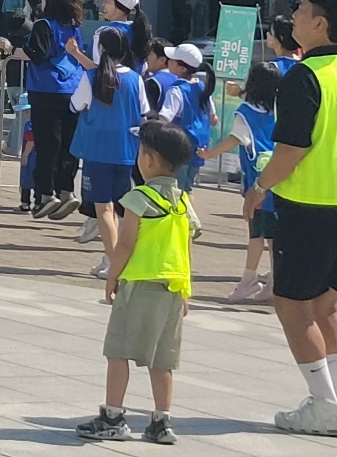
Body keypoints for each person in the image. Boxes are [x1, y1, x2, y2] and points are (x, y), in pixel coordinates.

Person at [246, 0, 337, 437]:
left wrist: (258, 186)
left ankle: (324, 406)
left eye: (300, 9)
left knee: (292, 307)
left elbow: (290, 151)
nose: (294, 16)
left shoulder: (304, 76)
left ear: (320, 23)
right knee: (327, 307)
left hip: (312, 203)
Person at [78, 119, 196, 446]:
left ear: (149, 159)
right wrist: (186, 289)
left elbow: (125, 244)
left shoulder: (139, 198)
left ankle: (113, 415)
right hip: (172, 288)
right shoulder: (183, 202)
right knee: (162, 360)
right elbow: (187, 248)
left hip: (140, 284)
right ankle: (161, 421)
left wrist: (112, 274)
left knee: (119, 352)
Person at [70, 27, 147, 280]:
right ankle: (116, 259)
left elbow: (75, 104)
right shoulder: (136, 78)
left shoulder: (93, 76)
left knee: (104, 208)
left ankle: (115, 263)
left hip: (97, 150)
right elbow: (144, 111)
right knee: (119, 208)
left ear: (101, 48)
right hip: (127, 150)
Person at [209, 62, 282, 304]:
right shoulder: (279, 110)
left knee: (256, 236)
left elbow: (233, 140)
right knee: (272, 237)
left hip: (257, 184)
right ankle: (274, 281)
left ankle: (248, 280)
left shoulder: (245, 113)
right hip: (279, 180)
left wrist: (207, 154)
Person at [25, 0, 87, 220]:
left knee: (47, 143)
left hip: (45, 88)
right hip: (73, 88)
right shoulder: (73, 27)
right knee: (68, 144)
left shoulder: (44, 25)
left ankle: (45, 195)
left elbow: (38, 55)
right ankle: (67, 190)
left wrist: (23, 45)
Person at [155, 44, 215, 192]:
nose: (169, 61)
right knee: (186, 191)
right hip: (199, 148)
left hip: (179, 149)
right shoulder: (202, 87)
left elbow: (164, 118)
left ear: (182, 68)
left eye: (173, 60)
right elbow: (213, 118)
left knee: (174, 192)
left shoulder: (176, 90)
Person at [93, 0, 151, 70]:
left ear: (120, 7)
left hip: (110, 83)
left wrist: (76, 52)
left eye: (107, 1)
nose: (103, 4)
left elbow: (97, 68)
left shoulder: (104, 32)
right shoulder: (139, 29)